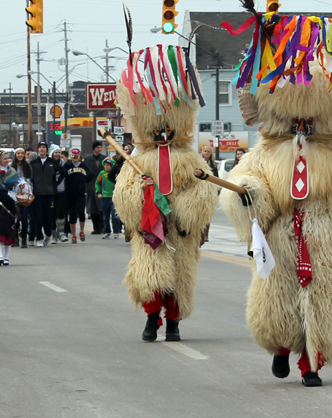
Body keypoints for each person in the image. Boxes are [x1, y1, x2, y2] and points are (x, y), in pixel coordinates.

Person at [219, 12, 332, 386]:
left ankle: (310, 363)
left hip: (326, 241)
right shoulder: (266, 151)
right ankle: (282, 349)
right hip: (279, 238)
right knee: (277, 297)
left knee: (322, 303)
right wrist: (248, 193)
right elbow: (247, 184)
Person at [113, 44, 218, 343]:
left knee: (179, 277)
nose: (162, 134)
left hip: (180, 230)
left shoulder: (191, 158)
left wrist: (186, 211)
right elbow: (124, 192)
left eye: (167, 128)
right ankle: (151, 317)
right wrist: (142, 197)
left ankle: (173, 323)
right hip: (150, 227)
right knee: (150, 274)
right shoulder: (138, 159)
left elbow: (203, 189)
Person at [30, 141, 60, 247]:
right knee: (38, 217)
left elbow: (62, 172)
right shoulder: (33, 163)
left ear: (47, 150)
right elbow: (30, 176)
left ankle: (48, 234)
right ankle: (39, 238)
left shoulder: (52, 162)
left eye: (44, 147)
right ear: (37, 149)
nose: (42, 149)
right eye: (40, 147)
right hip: (37, 194)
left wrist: (55, 184)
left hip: (49, 193)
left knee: (49, 217)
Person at [64, 148, 94, 243]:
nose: (75, 158)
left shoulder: (84, 166)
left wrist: (85, 180)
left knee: (81, 212)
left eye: (77, 156)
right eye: (74, 156)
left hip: (81, 192)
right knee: (72, 214)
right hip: (70, 193)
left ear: (80, 157)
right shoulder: (67, 165)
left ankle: (81, 231)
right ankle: (73, 235)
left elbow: (90, 175)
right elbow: (62, 175)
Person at [11, 147, 32, 248]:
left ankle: (24, 239)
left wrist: (26, 186)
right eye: (18, 153)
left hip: (26, 195)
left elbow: (31, 180)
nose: (20, 155)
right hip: (15, 195)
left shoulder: (27, 166)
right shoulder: (11, 167)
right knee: (16, 218)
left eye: (21, 153)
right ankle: (15, 238)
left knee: (24, 218)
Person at [95, 157, 121, 239]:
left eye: (108, 165)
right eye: (105, 165)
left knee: (114, 215)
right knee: (105, 216)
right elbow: (97, 183)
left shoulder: (116, 174)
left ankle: (116, 231)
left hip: (114, 197)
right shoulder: (102, 173)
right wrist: (98, 192)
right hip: (105, 197)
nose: (106, 167)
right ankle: (107, 231)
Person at [84, 141, 106, 233]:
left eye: (100, 147)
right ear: (94, 148)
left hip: (101, 185)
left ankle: (102, 227)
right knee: (92, 207)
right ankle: (96, 227)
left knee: (101, 207)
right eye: (97, 147)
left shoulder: (104, 158)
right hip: (90, 185)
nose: (99, 149)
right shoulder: (88, 158)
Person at [50, 144, 68, 244]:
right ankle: (53, 235)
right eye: (55, 152)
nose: (57, 154)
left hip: (61, 191)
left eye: (58, 152)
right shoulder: (49, 163)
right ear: (52, 153)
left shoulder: (63, 163)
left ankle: (61, 232)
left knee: (60, 213)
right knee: (52, 213)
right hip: (51, 191)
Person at [201, 145, 218, 242]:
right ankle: (199, 233)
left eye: (208, 151)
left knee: (208, 213)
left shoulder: (214, 165)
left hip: (210, 190)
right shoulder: (198, 163)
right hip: (200, 190)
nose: (206, 153)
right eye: (205, 151)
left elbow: (216, 177)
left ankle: (206, 234)